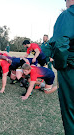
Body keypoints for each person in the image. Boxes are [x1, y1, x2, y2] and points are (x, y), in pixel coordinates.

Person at [49, 0, 74, 134]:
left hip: (70, 70)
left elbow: (60, 44)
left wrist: (59, 65)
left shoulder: (68, 15)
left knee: (70, 112)